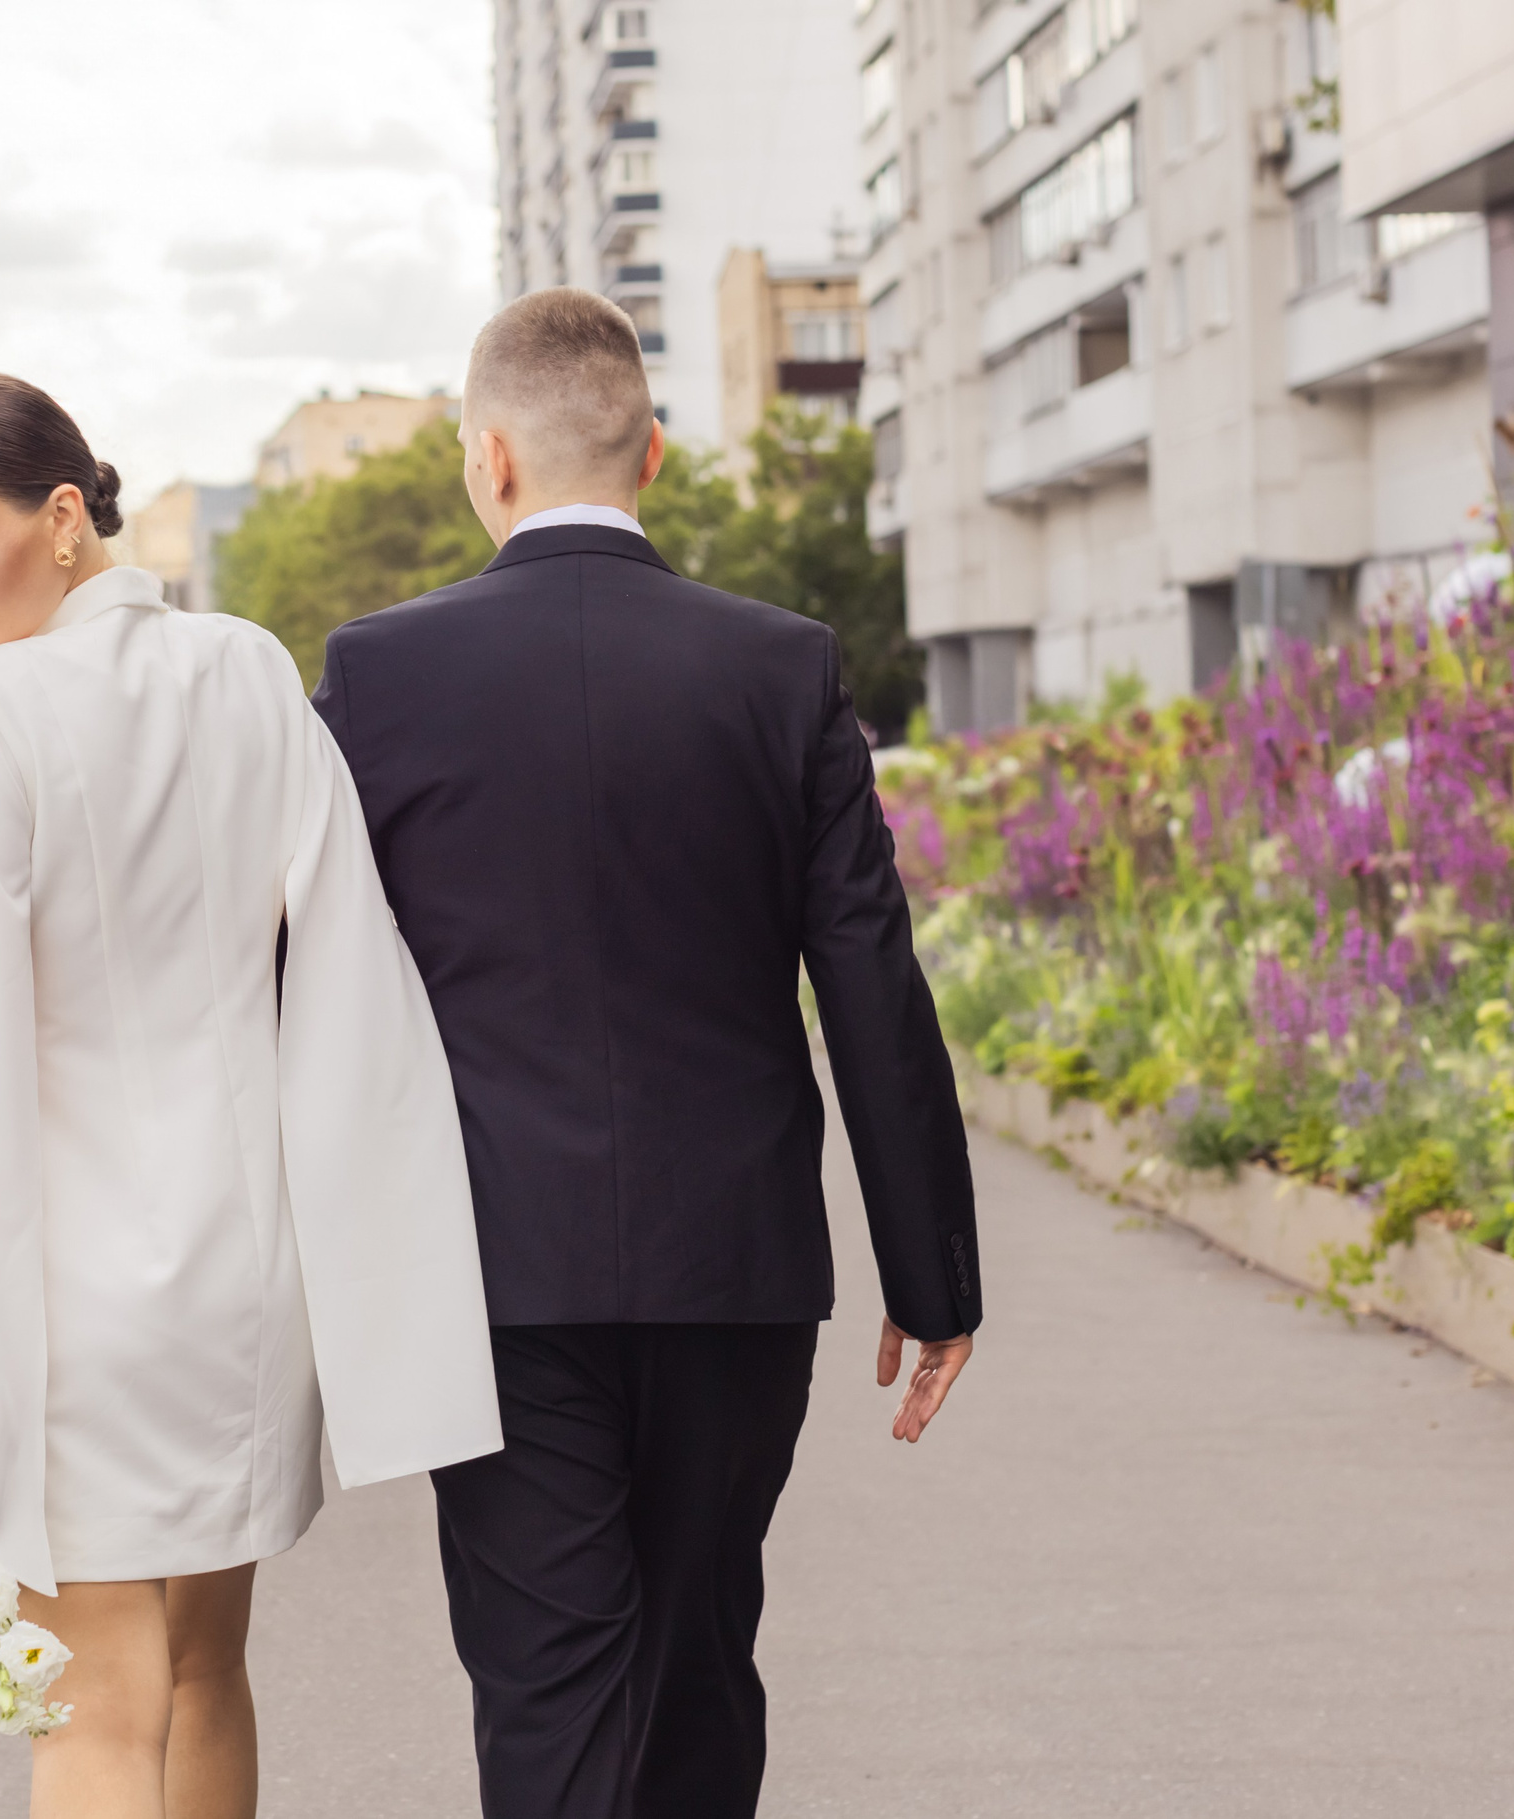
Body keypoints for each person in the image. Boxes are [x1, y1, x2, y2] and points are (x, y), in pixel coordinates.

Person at [311, 290, 980, 1818]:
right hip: (733, 1266)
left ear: (487, 460)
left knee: (547, 1684)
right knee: (696, 1665)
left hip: (490, 1272)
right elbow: (870, 974)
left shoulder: (377, 676)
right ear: (655, 456)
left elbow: (315, 980)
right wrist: (931, 1274)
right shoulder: (782, 667)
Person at [0, 373, 501, 1819]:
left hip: (84, 1305)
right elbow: (347, 971)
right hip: (245, 1285)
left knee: (91, 1713)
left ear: (64, 520)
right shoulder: (248, 667)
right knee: (203, 1675)